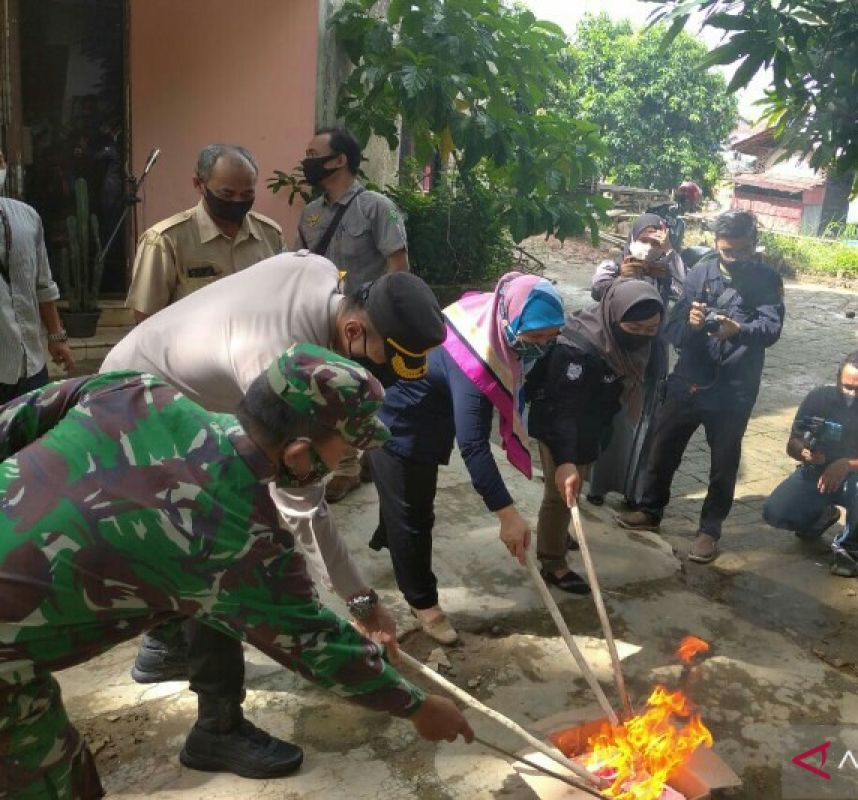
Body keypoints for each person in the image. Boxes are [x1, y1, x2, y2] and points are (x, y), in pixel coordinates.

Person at [0, 345, 472, 799]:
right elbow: (318, 646)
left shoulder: (134, 389)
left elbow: (15, 421)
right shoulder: (242, 538)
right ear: (299, 454)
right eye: (346, 448)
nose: (347, 461)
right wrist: (420, 707)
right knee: (53, 781)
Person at [101, 252, 446, 778]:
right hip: (137, 409)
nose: (372, 370)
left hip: (169, 387)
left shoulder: (321, 275)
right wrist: (360, 600)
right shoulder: (277, 358)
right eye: (377, 358)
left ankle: (165, 646)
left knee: (209, 537)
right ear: (353, 329)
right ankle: (217, 729)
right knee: (221, 553)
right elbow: (303, 508)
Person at [371, 273, 565, 644]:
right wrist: (507, 514)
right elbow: (474, 444)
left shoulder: (494, 316)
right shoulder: (477, 356)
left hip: (437, 409)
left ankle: (392, 531)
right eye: (535, 338)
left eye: (550, 337)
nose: (542, 346)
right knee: (414, 516)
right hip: (402, 420)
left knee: (401, 505)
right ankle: (423, 602)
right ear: (510, 319)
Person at [618, 210, 785, 564]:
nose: (735, 258)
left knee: (724, 462)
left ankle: (709, 531)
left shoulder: (767, 279)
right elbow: (672, 329)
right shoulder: (699, 272)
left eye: (742, 251)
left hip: (735, 387)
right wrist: (693, 324)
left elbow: (772, 330)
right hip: (690, 379)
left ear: (753, 245)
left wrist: (739, 330)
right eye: (728, 251)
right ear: (716, 244)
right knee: (663, 446)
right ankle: (650, 510)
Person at [529, 278, 665, 592]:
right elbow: (561, 410)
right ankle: (553, 563)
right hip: (556, 420)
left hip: (593, 420)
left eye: (651, 330)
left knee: (572, 489)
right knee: (560, 493)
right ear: (614, 317)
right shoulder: (576, 348)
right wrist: (565, 459)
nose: (643, 338)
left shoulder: (633, 344)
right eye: (635, 330)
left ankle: (558, 531)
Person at [299, 126, 412, 500]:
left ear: (339, 160)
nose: (307, 161)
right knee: (334, 393)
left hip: (367, 325)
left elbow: (398, 266)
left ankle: (354, 465)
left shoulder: (377, 207)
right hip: (325, 319)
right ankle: (350, 464)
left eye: (314, 153)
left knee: (363, 393)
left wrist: (388, 323)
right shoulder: (311, 213)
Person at [762, 351, 858, 578]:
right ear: (838, 378)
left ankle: (850, 546)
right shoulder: (819, 397)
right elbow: (793, 444)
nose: (852, 394)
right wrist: (804, 453)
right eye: (846, 386)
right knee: (774, 512)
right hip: (817, 474)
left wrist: (846, 464)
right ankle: (821, 516)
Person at [587, 213, 685, 506]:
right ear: (632, 238)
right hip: (614, 355)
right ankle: (597, 486)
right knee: (607, 420)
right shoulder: (614, 264)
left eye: (654, 241)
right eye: (643, 240)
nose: (647, 247)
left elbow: (688, 289)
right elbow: (598, 290)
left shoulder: (666, 270)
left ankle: (634, 490)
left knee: (645, 423)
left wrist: (669, 254)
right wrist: (624, 277)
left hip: (652, 358)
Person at [125, 144, 283, 322]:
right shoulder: (165, 240)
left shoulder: (270, 235)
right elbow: (146, 317)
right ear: (199, 185)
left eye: (247, 195)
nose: (237, 201)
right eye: (227, 194)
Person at [0, 148, 75, 402]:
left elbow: (43, 285)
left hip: (32, 365)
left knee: (35, 438)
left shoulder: (27, 217)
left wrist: (56, 337)